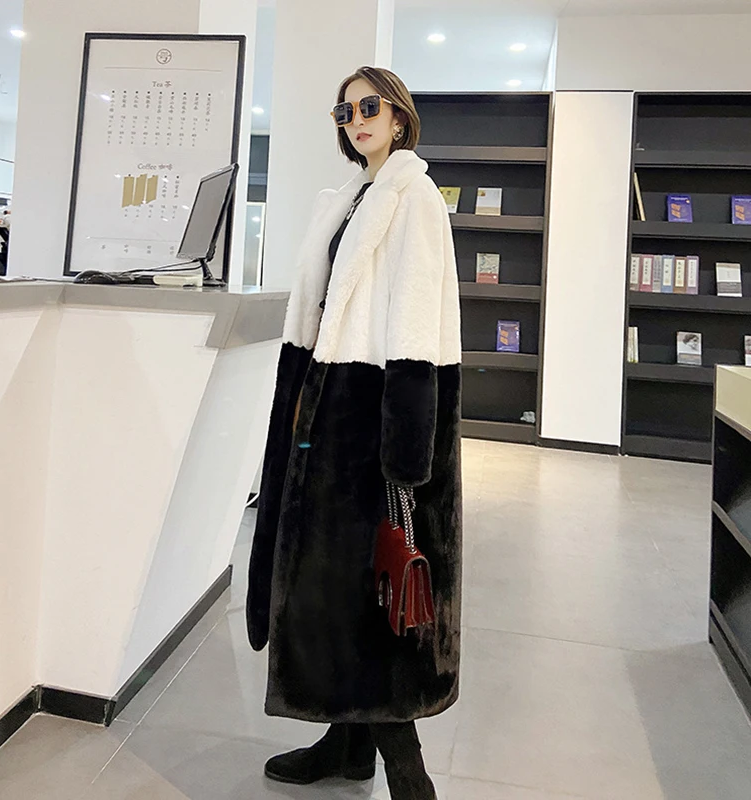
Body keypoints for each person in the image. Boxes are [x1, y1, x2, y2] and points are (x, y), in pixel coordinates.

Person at [246, 65, 462, 800]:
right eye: (345, 111)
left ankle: (409, 773)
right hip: (329, 407)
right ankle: (345, 746)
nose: (357, 119)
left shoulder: (414, 197)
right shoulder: (348, 198)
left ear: (399, 115)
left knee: (371, 592)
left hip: (376, 415)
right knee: (336, 588)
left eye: (370, 106)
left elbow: (415, 323)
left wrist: (405, 455)